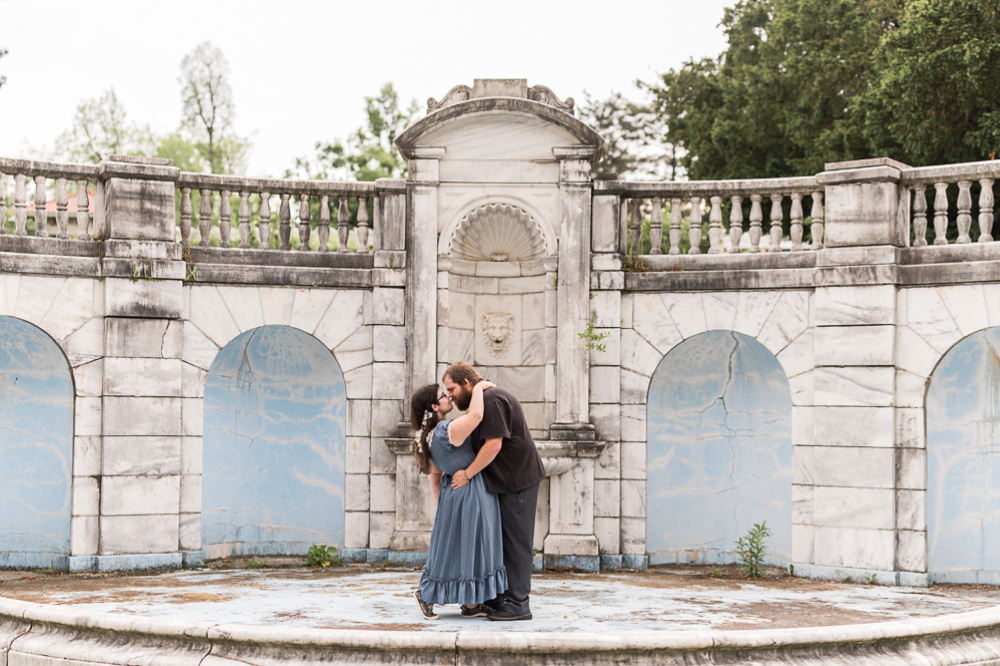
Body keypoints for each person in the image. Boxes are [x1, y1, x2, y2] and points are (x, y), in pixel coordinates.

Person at [442, 361, 546, 622]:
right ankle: (499, 599)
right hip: (504, 482)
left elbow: (494, 445)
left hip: (518, 480)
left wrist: (467, 474)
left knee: (517, 543)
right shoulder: (483, 399)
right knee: (501, 542)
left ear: (467, 383)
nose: (450, 395)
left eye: (452, 388)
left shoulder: (492, 398)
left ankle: (518, 604)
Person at [409, 379, 507, 620]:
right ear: (434, 407)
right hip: (470, 490)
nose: (449, 398)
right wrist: (480, 388)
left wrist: (443, 508)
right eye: (443, 395)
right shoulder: (445, 431)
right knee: (475, 544)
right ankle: (428, 594)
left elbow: (434, 478)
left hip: (452, 495)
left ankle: (471, 603)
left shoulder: (427, 438)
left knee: (460, 548)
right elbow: (475, 416)